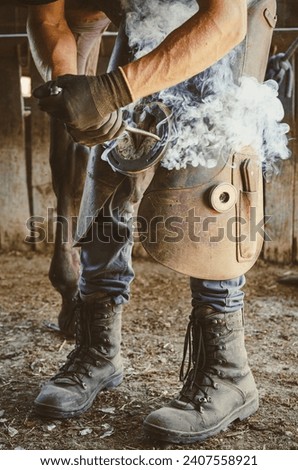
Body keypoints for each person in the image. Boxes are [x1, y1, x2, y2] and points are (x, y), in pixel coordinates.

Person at [20, 0, 277, 444]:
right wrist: (73, 87)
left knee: (210, 184)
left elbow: (226, 19)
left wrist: (111, 90)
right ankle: (98, 350)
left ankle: (228, 371)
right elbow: (47, 15)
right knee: (110, 171)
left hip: (225, 23)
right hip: (142, 19)